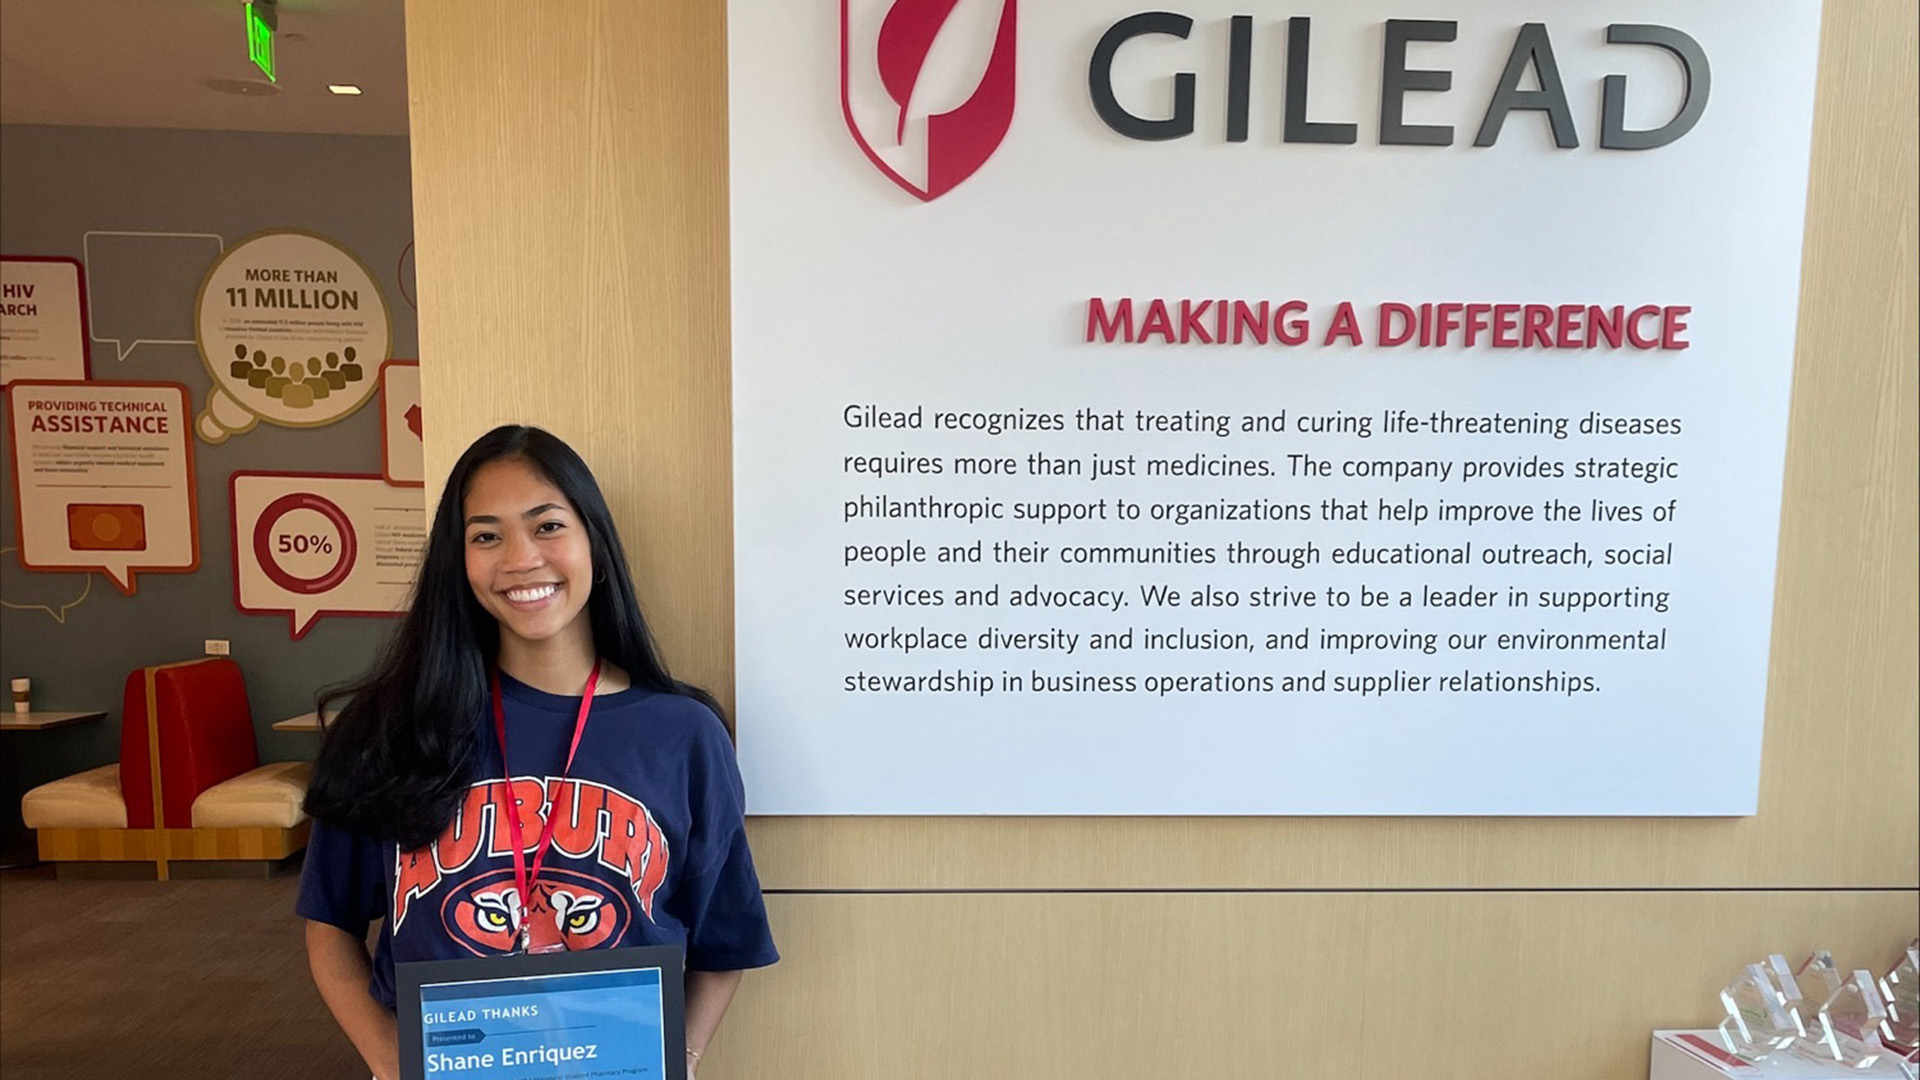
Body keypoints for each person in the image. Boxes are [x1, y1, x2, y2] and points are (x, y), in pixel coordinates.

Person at [297, 424, 777, 1080]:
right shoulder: (388, 728)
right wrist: (389, 1058)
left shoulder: (684, 735)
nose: (520, 558)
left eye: (547, 526)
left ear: (596, 548)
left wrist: (681, 1058)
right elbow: (330, 922)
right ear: (458, 564)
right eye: (486, 535)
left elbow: (725, 942)